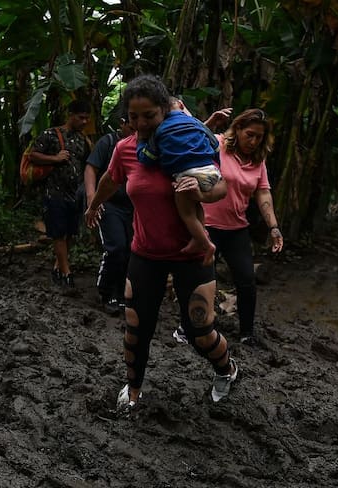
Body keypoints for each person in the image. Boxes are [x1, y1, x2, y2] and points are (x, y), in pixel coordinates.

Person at [84, 76, 238, 407]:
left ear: (164, 111)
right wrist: (94, 205)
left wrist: (197, 190)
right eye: (134, 117)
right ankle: (134, 389)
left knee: (200, 331)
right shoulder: (125, 150)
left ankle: (226, 371)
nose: (141, 124)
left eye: (149, 116)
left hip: (191, 254)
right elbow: (112, 180)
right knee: (136, 330)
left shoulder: (187, 140)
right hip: (146, 254)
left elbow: (221, 187)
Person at [203, 108, 284, 346]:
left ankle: (247, 332)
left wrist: (274, 227)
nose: (253, 141)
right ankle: (193, 327)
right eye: (249, 134)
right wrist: (209, 121)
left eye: (259, 137)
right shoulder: (217, 144)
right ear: (237, 129)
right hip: (207, 225)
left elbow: (263, 193)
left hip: (236, 228)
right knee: (203, 280)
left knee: (247, 279)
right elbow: (190, 138)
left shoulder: (258, 161)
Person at [135, 83, 221, 266]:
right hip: (211, 172)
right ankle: (200, 234)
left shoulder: (160, 130)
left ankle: (206, 244)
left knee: (187, 213)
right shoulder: (197, 123)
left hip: (187, 174)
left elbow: (147, 158)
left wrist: (141, 143)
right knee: (196, 204)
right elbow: (215, 144)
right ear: (182, 106)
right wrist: (214, 165)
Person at [29, 99, 91, 288]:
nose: (85, 122)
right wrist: (55, 158)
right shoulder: (51, 135)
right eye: (81, 118)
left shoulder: (83, 140)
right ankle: (67, 272)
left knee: (70, 232)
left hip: (75, 193)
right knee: (58, 233)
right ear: (70, 115)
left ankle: (59, 266)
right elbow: (33, 155)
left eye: (87, 118)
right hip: (54, 192)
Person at [84, 114, 135, 314]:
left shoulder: (144, 142)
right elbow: (91, 168)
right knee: (116, 248)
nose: (134, 131)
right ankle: (106, 292)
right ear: (122, 123)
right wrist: (91, 197)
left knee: (132, 251)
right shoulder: (109, 142)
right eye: (131, 126)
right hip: (109, 204)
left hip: (133, 207)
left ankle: (122, 293)